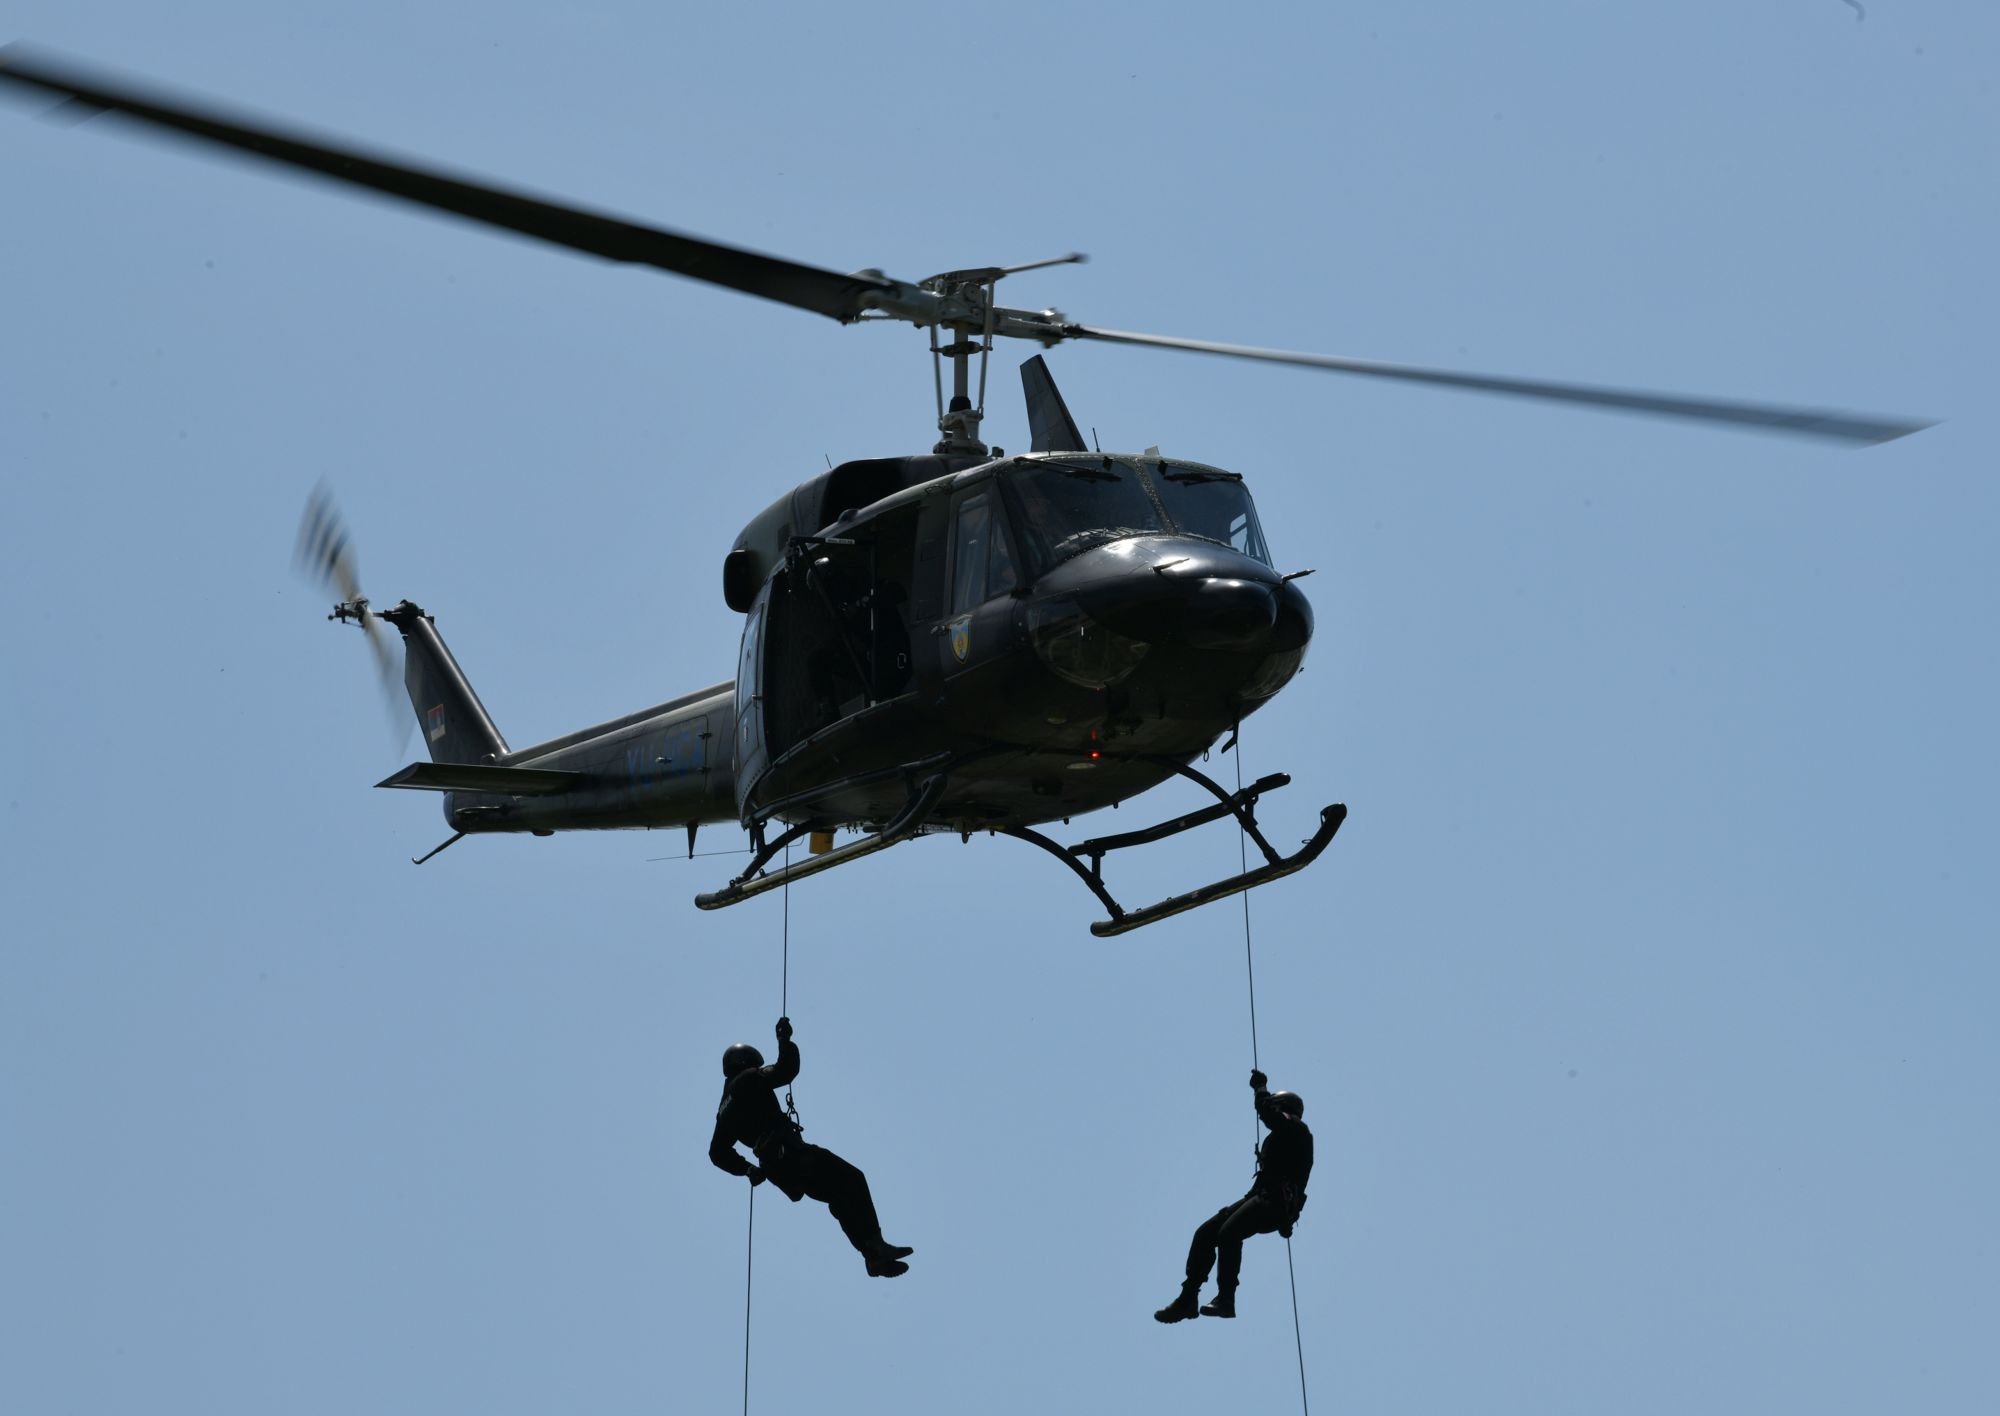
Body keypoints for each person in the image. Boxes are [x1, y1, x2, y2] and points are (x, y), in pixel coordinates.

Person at [709, 1015, 913, 1278]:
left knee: (840, 1194)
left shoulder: (723, 1110)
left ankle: (874, 1256)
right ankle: (875, 1248)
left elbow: (717, 1153)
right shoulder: (749, 1079)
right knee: (852, 1179)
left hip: (779, 1170)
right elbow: (786, 1070)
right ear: (747, 1063)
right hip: (793, 1156)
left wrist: (748, 1169)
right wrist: (785, 1040)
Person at [1155, 1068, 1312, 1322]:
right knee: (1206, 1233)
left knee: (1229, 1233)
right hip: (1261, 1197)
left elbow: (1270, 1115)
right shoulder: (1285, 1137)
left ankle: (1226, 1300)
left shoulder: (1297, 1130)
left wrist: (1260, 1089)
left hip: (1273, 1203)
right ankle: (1188, 1299)